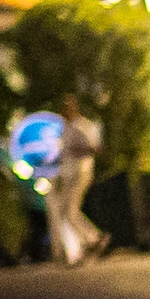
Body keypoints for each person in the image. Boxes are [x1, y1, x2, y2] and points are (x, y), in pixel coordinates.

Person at [47, 94, 105, 266]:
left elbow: (94, 148)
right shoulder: (67, 127)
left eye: (68, 107)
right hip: (68, 174)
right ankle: (88, 242)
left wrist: (76, 149)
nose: (65, 110)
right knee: (65, 211)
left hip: (80, 174)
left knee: (70, 211)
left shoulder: (82, 126)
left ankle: (93, 239)